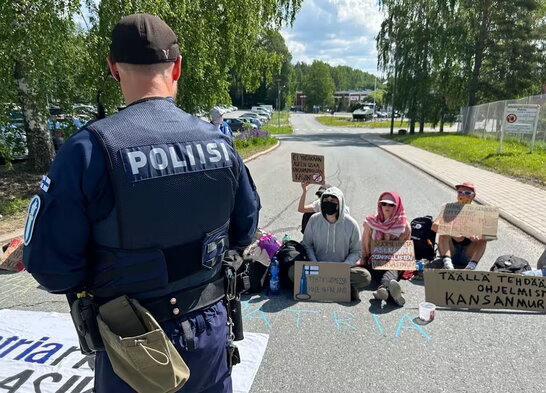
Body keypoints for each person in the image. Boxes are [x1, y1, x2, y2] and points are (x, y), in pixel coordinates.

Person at [22, 13, 259, 393]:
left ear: (113, 69)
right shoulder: (219, 142)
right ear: (177, 67)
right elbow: (245, 228)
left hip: (132, 344)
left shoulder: (89, 150)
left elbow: (51, 267)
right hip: (210, 331)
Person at [300, 187, 371, 300]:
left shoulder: (351, 224)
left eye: (333, 201)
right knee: (292, 272)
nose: (329, 203)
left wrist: (344, 266)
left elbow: (356, 251)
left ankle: (329, 286)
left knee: (365, 276)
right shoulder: (314, 219)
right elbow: (307, 244)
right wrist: (314, 262)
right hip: (317, 267)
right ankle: (343, 287)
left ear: (340, 203)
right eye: (326, 200)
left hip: (341, 269)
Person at [362, 192, 410, 306]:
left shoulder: (404, 226)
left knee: (392, 269)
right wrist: (364, 257)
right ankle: (392, 293)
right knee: (379, 268)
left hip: (395, 260)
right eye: (384, 204)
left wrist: (395, 260)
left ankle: (383, 289)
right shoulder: (371, 222)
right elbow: (365, 241)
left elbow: (405, 248)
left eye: (391, 205)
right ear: (380, 205)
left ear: (397, 206)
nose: (387, 207)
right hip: (376, 258)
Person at [430, 181, 487, 270]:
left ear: (473, 196)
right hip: (450, 251)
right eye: (460, 192)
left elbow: (489, 234)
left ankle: (471, 266)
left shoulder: (479, 211)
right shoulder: (449, 208)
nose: (463, 195)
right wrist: (452, 233)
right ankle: (447, 264)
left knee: (484, 240)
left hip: (468, 252)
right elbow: (434, 226)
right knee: (443, 233)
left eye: (467, 193)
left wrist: (478, 237)